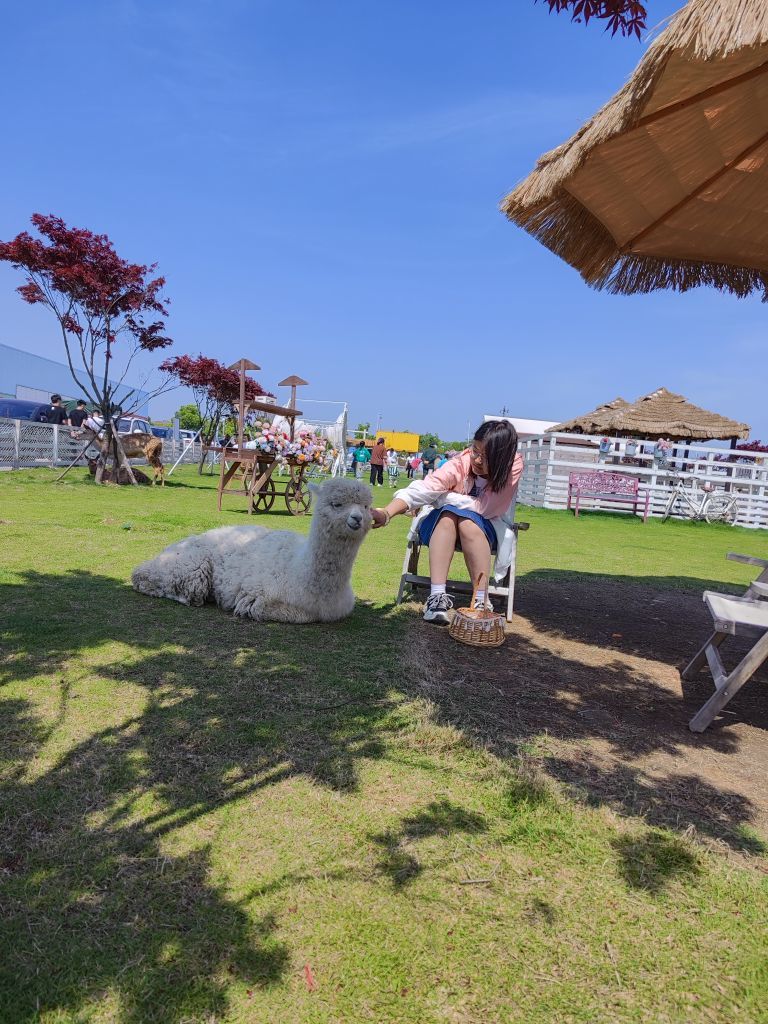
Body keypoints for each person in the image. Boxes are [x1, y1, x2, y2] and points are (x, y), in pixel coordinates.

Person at [371, 420, 523, 624]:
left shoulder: (512, 466)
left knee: (466, 520)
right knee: (449, 515)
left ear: (501, 458)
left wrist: (443, 498)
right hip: (442, 526)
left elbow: (487, 507)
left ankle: (480, 600)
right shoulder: (462, 461)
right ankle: (437, 597)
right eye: (475, 450)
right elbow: (426, 488)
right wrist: (387, 513)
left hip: (482, 530)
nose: (476, 459)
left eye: (485, 457)